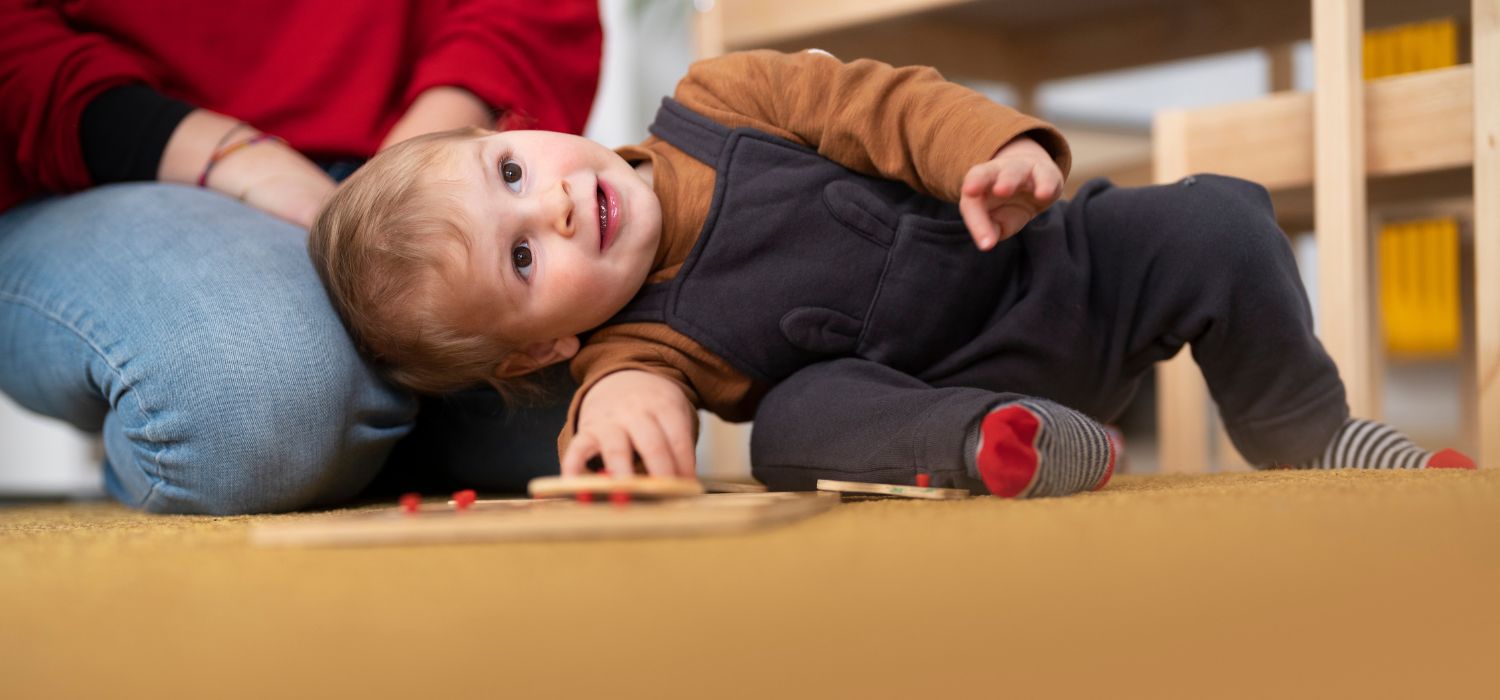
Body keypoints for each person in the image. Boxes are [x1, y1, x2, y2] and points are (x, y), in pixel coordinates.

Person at [309, 49, 1474, 499]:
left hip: (1054, 266)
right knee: (789, 434)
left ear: (520, 128)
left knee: (1218, 220)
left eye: (513, 169)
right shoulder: (632, 346)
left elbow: (878, 101)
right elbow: (634, 396)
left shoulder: (716, 103)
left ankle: (1311, 432)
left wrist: (992, 151)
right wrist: (618, 409)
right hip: (949, 393)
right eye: (523, 259)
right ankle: (1004, 443)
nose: (553, 205)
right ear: (542, 351)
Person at [0, 0, 602, 513]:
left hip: (423, 157)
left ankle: (345, 430)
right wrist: (241, 161)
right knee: (252, 399)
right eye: (513, 173)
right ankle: (302, 422)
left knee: (620, 391)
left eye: (512, 169)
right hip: (101, 169)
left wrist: (406, 185)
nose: (562, 206)